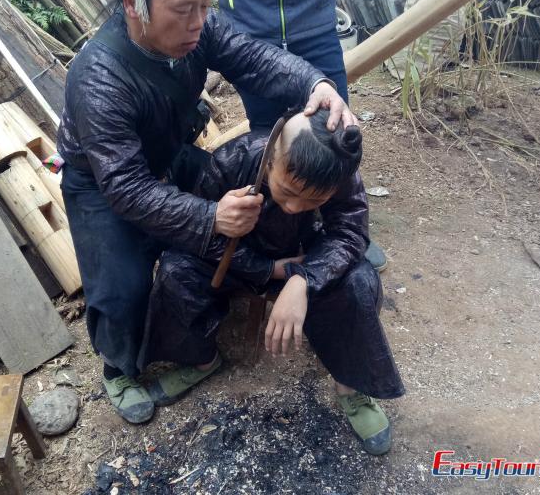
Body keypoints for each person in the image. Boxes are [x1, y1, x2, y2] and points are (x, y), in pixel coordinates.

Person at [57, 0, 355, 424]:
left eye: (204, 5)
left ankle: (287, 271)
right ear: (133, 2)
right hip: (103, 181)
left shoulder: (201, 28)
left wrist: (315, 84)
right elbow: (126, 186)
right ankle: (119, 367)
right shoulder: (98, 79)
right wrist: (209, 216)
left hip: (169, 154)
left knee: (246, 209)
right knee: (122, 287)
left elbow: (254, 58)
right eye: (182, 9)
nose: (198, 23)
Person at [140, 109, 405, 455]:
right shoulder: (234, 159)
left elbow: (349, 234)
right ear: (270, 160)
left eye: (314, 200)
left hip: (307, 261)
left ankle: (351, 386)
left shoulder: (339, 172)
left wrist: (303, 279)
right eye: (287, 191)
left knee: (359, 281)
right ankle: (200, 359)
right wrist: (267, 269)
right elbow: (202, 232)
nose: (295, 207)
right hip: (238, 261)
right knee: (176, 270)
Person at [174, 0, 390, 271]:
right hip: (249, 26)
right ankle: (277, 231)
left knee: (334, 129)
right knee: (269, 137)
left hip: (315, 21)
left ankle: (344, 229)